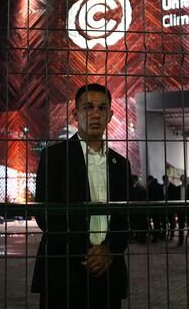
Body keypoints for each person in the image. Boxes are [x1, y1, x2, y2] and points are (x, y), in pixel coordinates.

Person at [31, 83, 132, 309]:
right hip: (64, 271)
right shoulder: (55, 157)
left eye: (102, 108)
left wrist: (108, 251)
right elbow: (46, 215)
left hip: (108, 271)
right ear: (76, 114)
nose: (95, 114)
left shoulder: (121, 165)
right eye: (88, 107)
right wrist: (86, 252)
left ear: (110, 115)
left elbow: (125, 218)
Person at [146, 175, 165, 242]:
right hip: (159, 206)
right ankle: (157, 235)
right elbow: (162, 196)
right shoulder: (159, 185)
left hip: (151, 207)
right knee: (157, 222)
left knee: (149, 221)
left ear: (149, 180)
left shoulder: (150, 186)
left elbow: (148, 197)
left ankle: (154, 235)